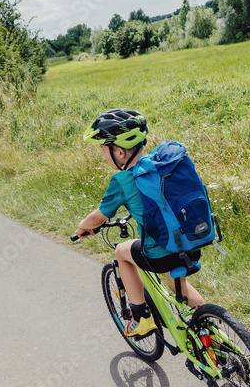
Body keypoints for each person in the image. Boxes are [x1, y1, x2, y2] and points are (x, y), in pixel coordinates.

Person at [75, 109, 204, 339]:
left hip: (161, 254)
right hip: (192, 242)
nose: (103, 155)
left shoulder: (123, 180)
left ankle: (141, 317)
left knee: (121, 251)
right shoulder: (162, 166)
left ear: (120, 152)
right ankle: (207, 324)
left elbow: (98, 217)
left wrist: (83, 227)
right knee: (177, 284)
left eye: (103, 150)